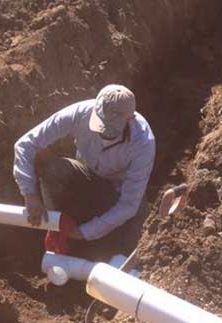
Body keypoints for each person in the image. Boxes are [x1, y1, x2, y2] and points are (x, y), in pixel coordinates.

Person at [13, 84, 156, 261]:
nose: (104, 132)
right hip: (87, 181)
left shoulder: (143, 142)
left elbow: (128, 204)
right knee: (55, 171)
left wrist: (84, 232)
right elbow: (25, 144)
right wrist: (29, 194)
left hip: (118, 196)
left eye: (111, 129)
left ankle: (95, 243)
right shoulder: (81, 113)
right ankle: (61, 234)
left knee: (136, 249)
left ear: (130, 119)